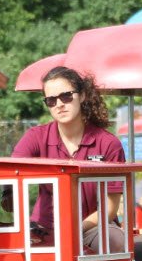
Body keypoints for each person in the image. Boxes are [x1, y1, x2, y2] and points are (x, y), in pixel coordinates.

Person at [11, 66, 126, 251]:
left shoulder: (108, 144)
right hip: (45, 229)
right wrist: (7, 195)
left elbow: (110, 207)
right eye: (51, 100)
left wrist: (76, 229)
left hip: (92, 228)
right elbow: (10, 170)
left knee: (113, 240)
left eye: (66, 96)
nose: (59, 104)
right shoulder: (35, 137)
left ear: (81, 96)